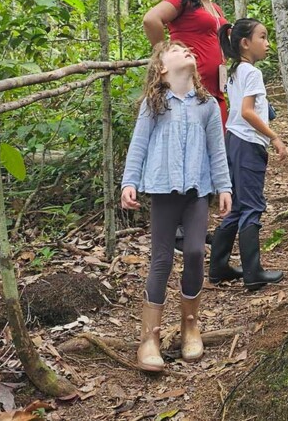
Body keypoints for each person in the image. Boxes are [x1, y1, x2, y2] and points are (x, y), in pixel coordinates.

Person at [120, 41, 232, 372]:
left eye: (189, 49)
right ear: (162, 68)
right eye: (177, 49)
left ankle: (190, 327)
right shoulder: (154, 104)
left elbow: (217, 151)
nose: (187, 51)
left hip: (197, 191)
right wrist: (130, 182)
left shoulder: (207, 105)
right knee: (161, 259)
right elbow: (138, 144)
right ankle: (149, 338)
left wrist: (224, 187)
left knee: (196, 252)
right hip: (162, 189)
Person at [208, 19, 288, 291]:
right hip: (247, 143)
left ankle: (219, 267)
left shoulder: (235, 71)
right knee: (252, 206)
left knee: (239, 205)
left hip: (232, 141)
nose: (267, 43)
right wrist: (274, 137)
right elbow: (247, 111)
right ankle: (253, 272)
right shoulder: (252, 73)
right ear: (245, 43)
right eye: (263, 37)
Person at [143, 0, 230, 125]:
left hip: (216, 93)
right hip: (188, 91)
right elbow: (151, 20)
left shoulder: (216, 9)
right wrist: (164, 58)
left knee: (218, 149)